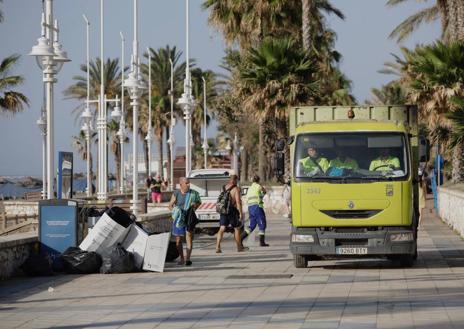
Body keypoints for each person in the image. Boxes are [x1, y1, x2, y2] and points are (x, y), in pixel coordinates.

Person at [168, 177, 201, 266]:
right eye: (186, 183)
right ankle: (182, 258)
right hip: (179, 218)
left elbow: (199, 202)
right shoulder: (176, 193)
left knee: (189, 237)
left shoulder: (194, 193)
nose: (188, 184)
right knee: (178, 240)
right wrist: (175, 211)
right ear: (181, 184)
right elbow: (170, 205)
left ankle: (188, 259)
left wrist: (194, 207)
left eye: (189, 183)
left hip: (189, 217)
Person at [215, 174, 248, 253]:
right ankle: (239, 247)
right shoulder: (236, 189)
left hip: (223, 210)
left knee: (222, 228)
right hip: (231, 211)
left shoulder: (223, 187)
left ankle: (217, 247)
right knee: (236, 228)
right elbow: (238, 202)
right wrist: (240, 213)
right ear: (236, 180)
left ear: (230, 180)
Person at [241, 174, 270, 247]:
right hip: (257, 207)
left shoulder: (250, 188)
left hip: (250, 208)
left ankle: (240, 238)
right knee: (262, 224)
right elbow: (264, 191)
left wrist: (260, 196)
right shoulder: (258, 186)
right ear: (258, 180)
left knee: (252, 226)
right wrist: (262, 195)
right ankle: (262, 242)